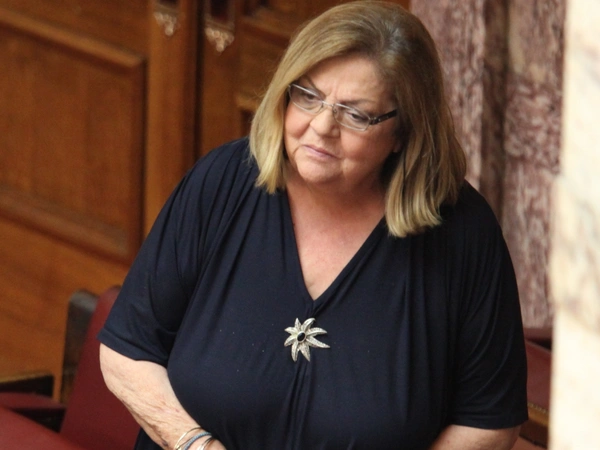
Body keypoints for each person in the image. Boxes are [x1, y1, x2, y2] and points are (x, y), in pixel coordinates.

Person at [98, 2, 528, 449]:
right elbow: (127, 350)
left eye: (355, 114)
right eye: (308, 96)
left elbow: (488, 422)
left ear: (403, 133)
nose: (321, 126)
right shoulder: (222, 181)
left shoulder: (462, 234)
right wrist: (195, 445)